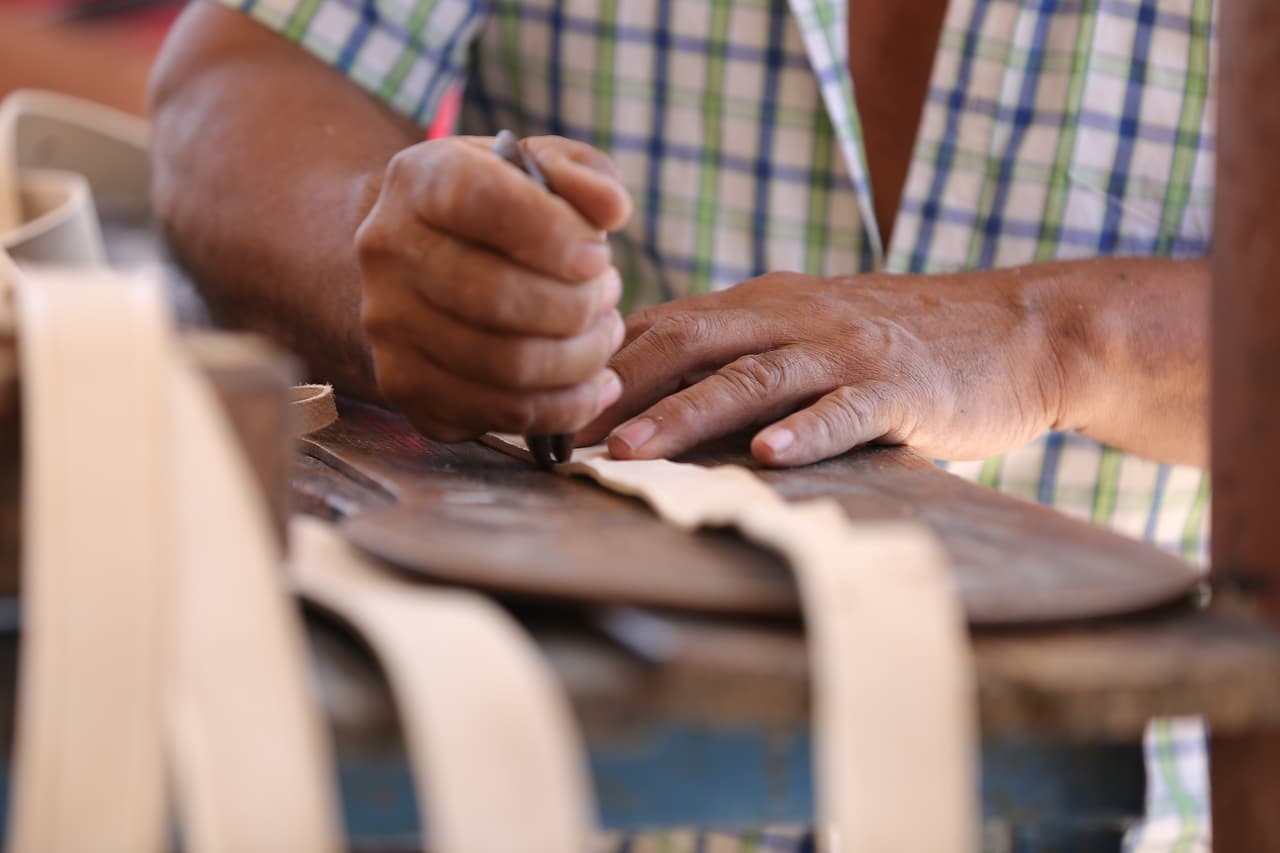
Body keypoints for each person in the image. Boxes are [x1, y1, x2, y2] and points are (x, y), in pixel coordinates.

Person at [148, 0, 1214, 848]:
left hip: (1141, 790)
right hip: (538, 780)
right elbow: (241, 75)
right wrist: (389, 268)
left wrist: (1056, 332)